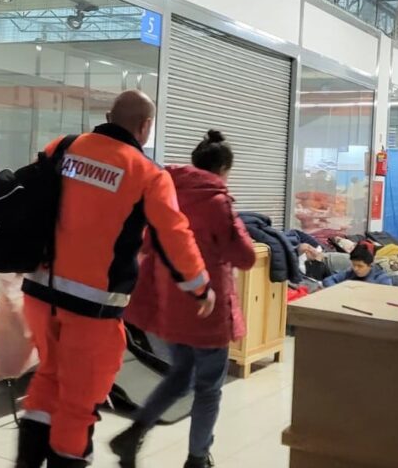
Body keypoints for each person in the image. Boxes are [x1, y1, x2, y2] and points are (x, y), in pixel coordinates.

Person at [16, 90, 212, 468]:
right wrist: (199, 286)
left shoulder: (63, 147)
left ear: (108, 116)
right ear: (146, 126)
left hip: (39, 292)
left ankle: (26, 462)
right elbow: (174, 235)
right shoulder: (147, 173)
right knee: (78, 402)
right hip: (91, 310)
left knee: (48, 378)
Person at [111, 130, 256, 468]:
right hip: (207, 307)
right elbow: (246, 256)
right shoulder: (218, 202)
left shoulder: (166, 192)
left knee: (180, 376)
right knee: (208, 388)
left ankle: (135, 431)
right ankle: (197, 458)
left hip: (171, 303)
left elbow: (147, 243)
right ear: (223, 169)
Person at [321, 244, 394, 288]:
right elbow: (328, 280)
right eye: (354, 265)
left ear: (370, 265)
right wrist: (340, 290)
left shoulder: (382, 279)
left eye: (360, 266)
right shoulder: (350, 272)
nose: (355, 269)